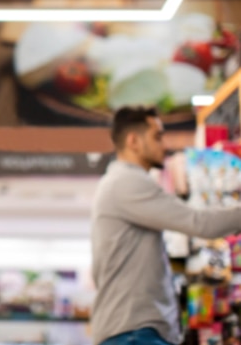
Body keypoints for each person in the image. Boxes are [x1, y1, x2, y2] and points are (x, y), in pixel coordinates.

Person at [91, 106, 241, 345]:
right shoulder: (127, 182)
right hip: (134, 333)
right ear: (133, 141)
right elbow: (201, 224)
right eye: (157, 136)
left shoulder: (121, 182)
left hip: (134, 331)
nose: (165, 145)